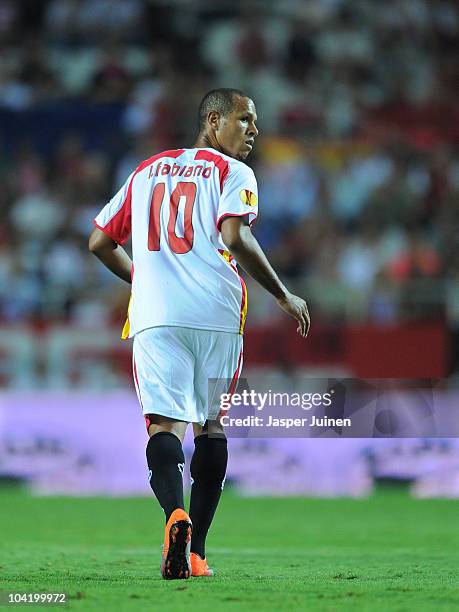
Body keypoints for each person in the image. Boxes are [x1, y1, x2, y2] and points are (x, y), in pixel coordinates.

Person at [88, 88, 310, 580]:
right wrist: (281, 294)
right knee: (211, 427)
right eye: (245, 120)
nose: (254, 130)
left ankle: (175, 516)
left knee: (163, 427)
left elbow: (100, 240)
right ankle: (196, 552)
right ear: (213, 121)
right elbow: (235, 236)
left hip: (157, 316)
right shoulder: (234, 173)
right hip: (216, 314)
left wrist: (143, 278)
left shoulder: (147, 170)